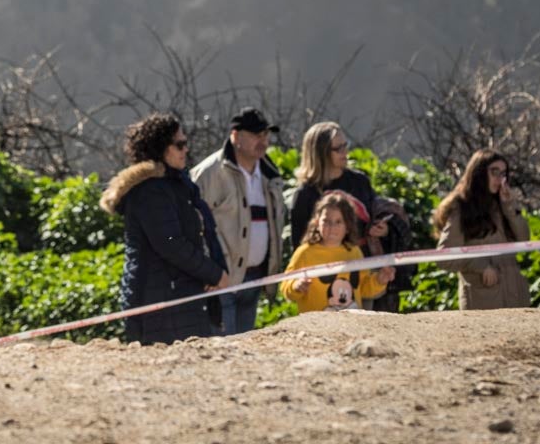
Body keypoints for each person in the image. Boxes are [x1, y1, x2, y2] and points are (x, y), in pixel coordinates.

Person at [99, 113, 229, 345]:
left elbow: (200, 233)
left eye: (186, 143)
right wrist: (214, 273)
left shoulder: (178, 184)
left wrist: (214, 271)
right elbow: (171, 242)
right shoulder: (150, 191)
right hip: (159, 301)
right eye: (179, 144)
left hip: (183, 294)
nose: (185, 149)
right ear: (160, 148)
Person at [190, 107, 287, 335]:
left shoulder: (269, 175)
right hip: (221, 279)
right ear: (235, 135)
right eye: (256, 134)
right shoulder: (209, 173)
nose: (262, 141)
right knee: (224, 349)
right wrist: (208, 271)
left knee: (243, 349)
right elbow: (193, 223)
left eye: (265, 134)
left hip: (255, 277)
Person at [288, 122, 405, 309]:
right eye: (338, 148)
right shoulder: (305, 194)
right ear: (320, 153)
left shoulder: (359, 181)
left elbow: (373, 215)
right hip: (319, 284)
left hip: (361, 272)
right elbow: (299, 243)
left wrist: (382, 229)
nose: (345, 151)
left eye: (345, 145)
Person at [432, 149, 530, 310]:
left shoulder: (503, 204)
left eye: (503, 173)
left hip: (516, 300)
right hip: (483, 304)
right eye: (494, 172)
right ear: (479, 173)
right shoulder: (462, 208)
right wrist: (480, 265)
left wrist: (509, 208)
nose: (500, 179)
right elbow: (444, 257)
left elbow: (524, 240)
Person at [281, 191, 395, 313]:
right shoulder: (304, 253)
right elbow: (285, 287)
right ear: (317, 222)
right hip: (316, 328)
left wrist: (379, 280)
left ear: (348, 226)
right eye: (326, 221)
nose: (332, 227)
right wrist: (296, 286)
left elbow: (364, 288)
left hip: (350, 326)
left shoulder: (354, 252)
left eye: (338, 222)